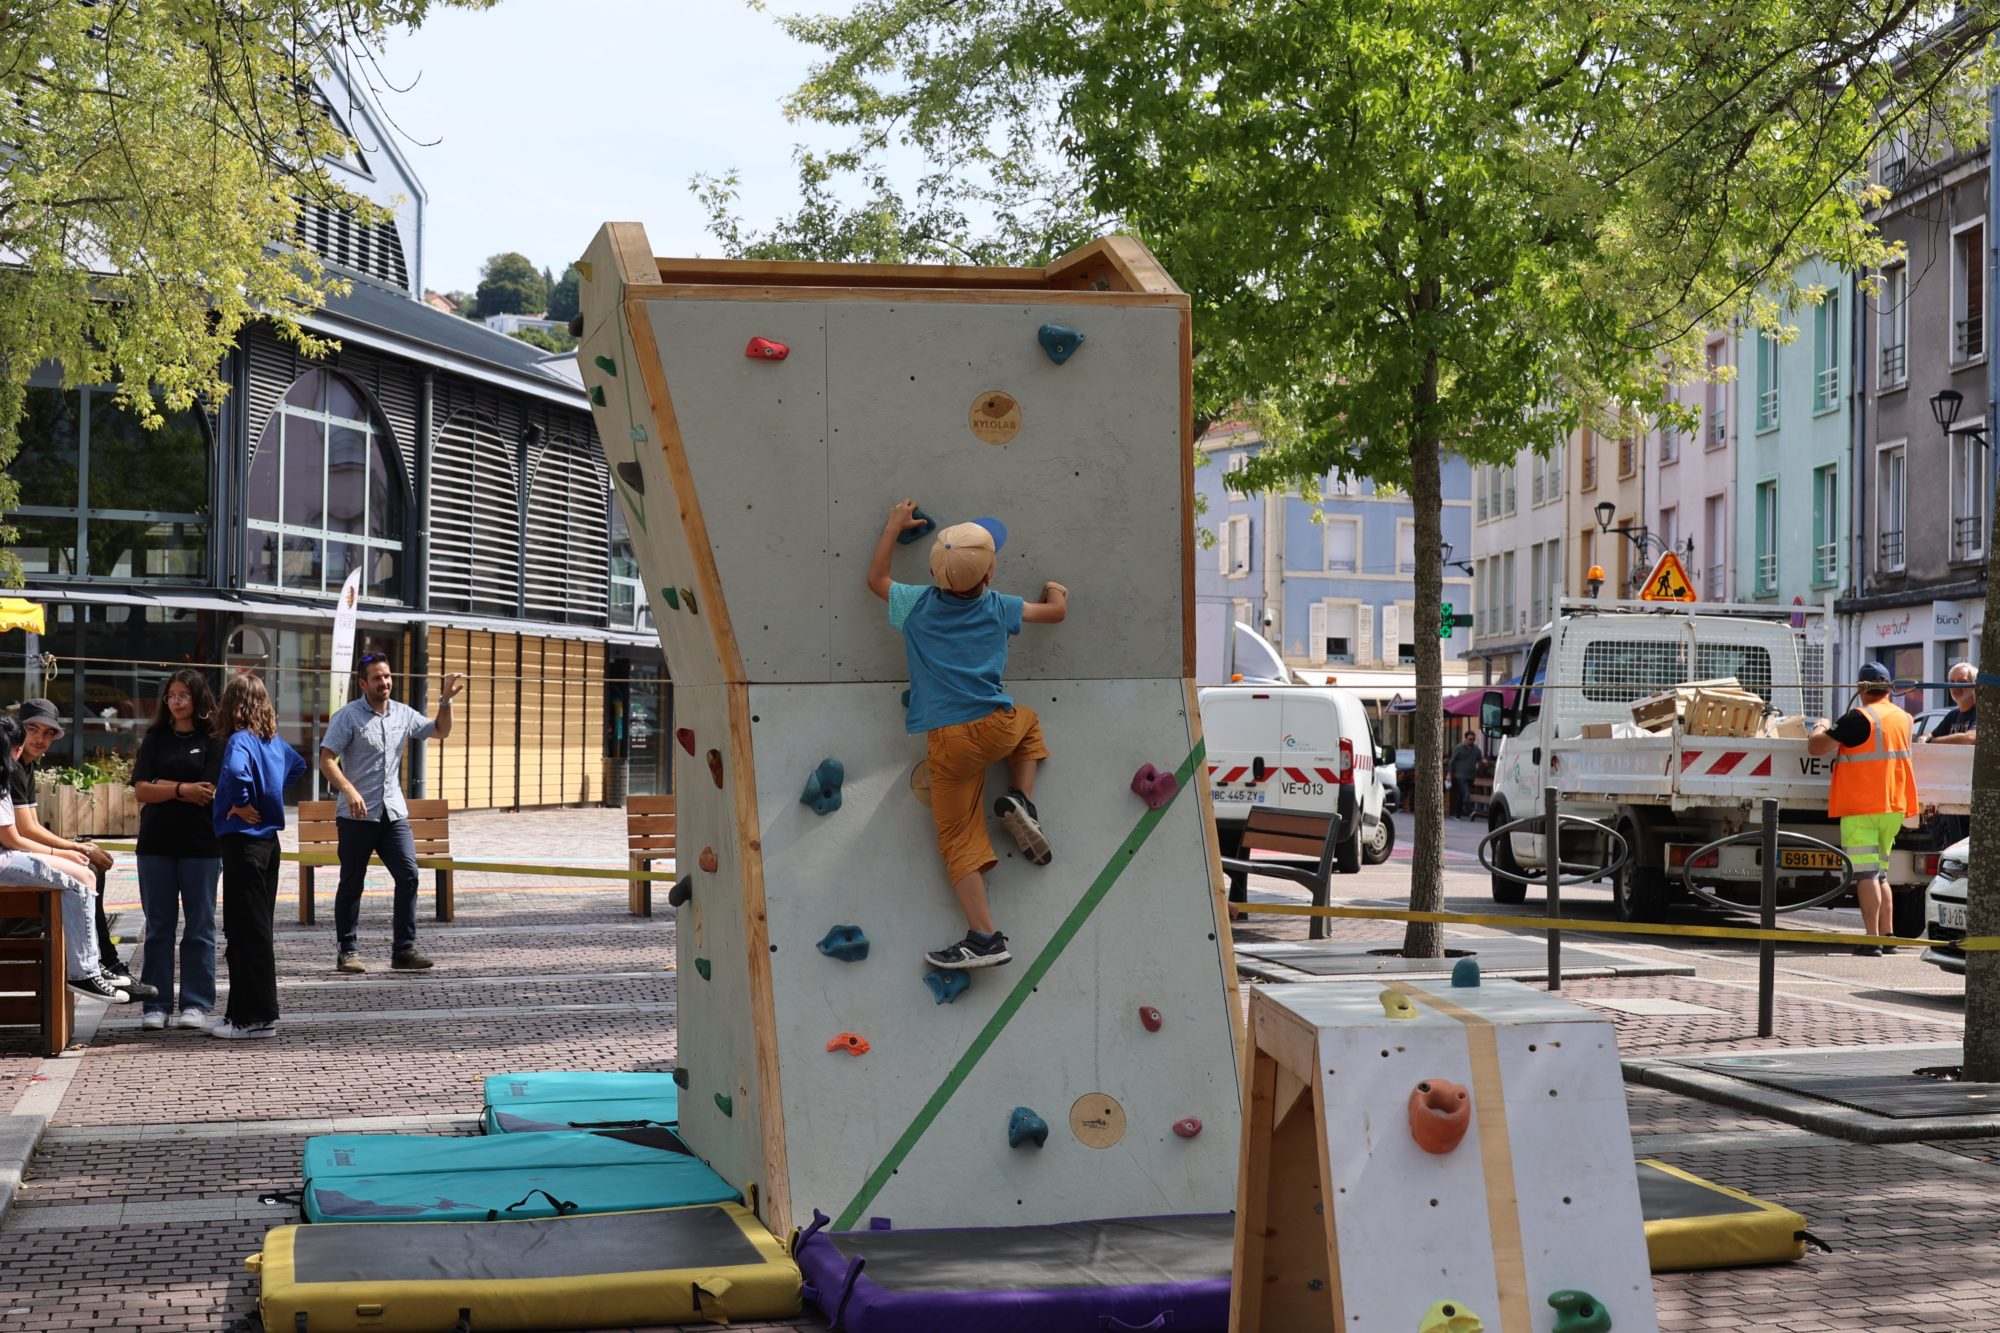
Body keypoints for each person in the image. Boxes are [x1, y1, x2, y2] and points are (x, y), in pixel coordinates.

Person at [867, 501, 1068, 970]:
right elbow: (1055, 613)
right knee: (1030, 721)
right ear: (991, 574)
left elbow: (876, 579)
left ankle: (985, 937)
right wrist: (1056, 588)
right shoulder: (999, 606)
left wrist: (894, 526)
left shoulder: (914, 606)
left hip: (949, 742)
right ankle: (1021, 798)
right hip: (998, 727)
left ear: (936, 570)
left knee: (958, 837)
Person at [317, 654, 464, 973]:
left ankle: (403, 950)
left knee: (408, 875)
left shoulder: (402, 713)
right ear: (362, 683)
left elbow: (439, 730)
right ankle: (348, 951)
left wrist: (445, 701)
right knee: (352, 882)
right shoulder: (348, 716)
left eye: (387, 676)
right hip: (356, 816)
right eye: (376, 678)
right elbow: (326, 759)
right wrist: (349, 790)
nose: (384, 683)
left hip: (393, 814)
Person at [9, 698, 155, 998]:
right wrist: (77, 849)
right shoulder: (10, 767)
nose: (40, 739)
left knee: (89, 870)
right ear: (16, 732)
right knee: (84, 871)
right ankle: (93, 967)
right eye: (33, 730)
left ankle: (103, 963)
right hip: (9, 858)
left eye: (48, 733)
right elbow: (24, 832)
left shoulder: (26, 765)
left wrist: (76, 849)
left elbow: (32, 826)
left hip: (14, 855)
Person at [212, 673, 306, 1039]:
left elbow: (235, 773)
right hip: (269, 845)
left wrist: (240, 804)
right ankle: (240, 1014)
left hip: (243, 843)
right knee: (254, 929)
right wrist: (269, 794)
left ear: (232, 704)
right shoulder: (273, 741)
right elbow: (297, 766)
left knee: (246, 932)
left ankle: (254, 1019)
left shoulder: (239, 740)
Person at [130, 670, 225, 1031]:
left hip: (201, 845)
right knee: (158, 927)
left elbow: (210, 790)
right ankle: (156, 1004)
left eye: (183, 695)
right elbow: (141, 789)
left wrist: (164, 785)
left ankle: (196, 1003)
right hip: (155, 844)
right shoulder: (155, 738)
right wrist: (183, 789)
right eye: (171, 695)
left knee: (200, 926)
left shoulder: (215, 739)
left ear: (198, 698)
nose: (177, 701)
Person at [1807, 661, 1918, 956]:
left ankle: (1871, 939)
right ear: (1888, 688)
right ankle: (1888, 934)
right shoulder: (1905, 718)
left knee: (1866, 875)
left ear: (1861, 689)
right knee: (1881, 872)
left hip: (1861, 805)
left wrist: (1820, 725)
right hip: (1893, 805)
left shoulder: (1859, 717)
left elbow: (1817, 747)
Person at [1918, 660, 1976, 849]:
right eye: (1951, 681)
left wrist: (1933, 742)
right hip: (1949, 791)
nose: (1955, 687)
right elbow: (1930, 734)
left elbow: (1970, 738)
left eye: (1961, 681)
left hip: (1971, 792)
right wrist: (1924, 738)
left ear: (1974, 684)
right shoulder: (1952, 715)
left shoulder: (1981, 712)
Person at [1449, 732, 1484, 820]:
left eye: (1473, 739)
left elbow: (1481, 759)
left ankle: (1457, 814)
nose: (1472, 741)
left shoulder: (1476, 749)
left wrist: (1485, 762)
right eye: (1470, 739)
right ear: (1465, 739)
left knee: (1462, 795)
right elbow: (1452, 761)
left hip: (1471, 776)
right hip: (1460, 775)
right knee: (1466, 793)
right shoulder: (1459, 748)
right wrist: (1449, 773)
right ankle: (1470, 812)